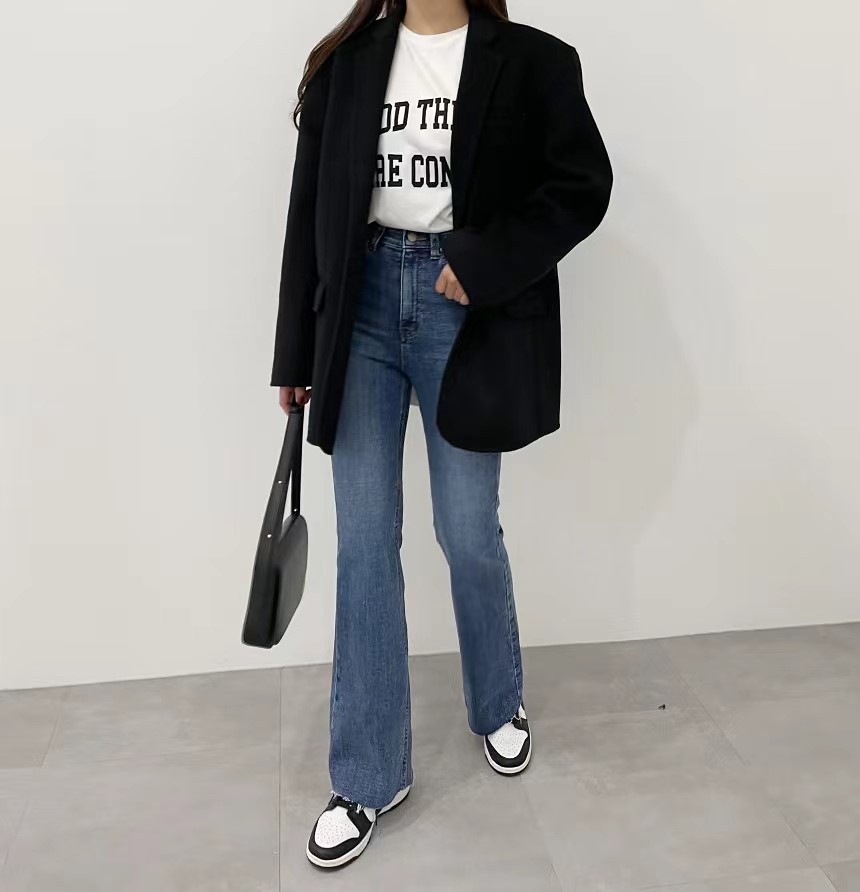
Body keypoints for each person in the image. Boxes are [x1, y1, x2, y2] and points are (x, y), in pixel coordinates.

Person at [271, 0, 612, 869]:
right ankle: (367, 774)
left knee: (465, 530)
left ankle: (498, 700)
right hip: (360, 312)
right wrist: (294, 353)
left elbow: (580, 187)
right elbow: (310, 211)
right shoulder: (347, 63)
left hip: (465, 311)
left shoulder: (534, 60)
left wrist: (483, 260)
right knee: (364, 542)